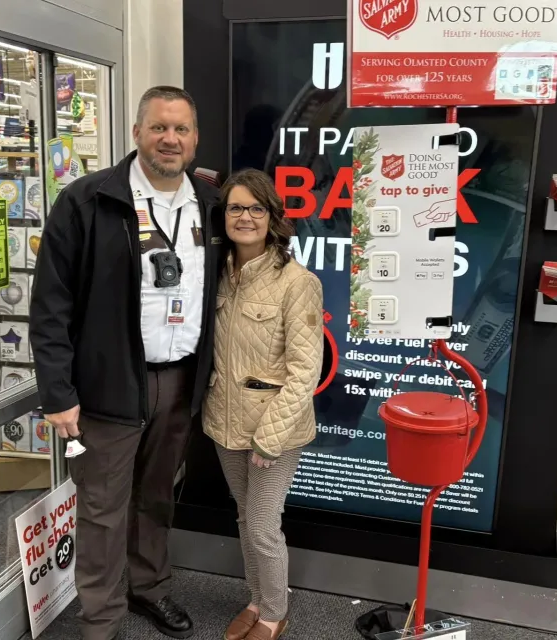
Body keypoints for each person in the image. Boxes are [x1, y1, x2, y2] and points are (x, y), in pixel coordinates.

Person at [30, 86, 224, 640]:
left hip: (182, 381)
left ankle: (149, 588)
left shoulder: (210, 205)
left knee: (157, 496)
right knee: (102, 508)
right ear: (136, 133)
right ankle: (102, 621)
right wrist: (59, 394)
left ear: (194, 139)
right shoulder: (87, 201)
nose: (170, 139)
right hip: (108, 388)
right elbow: (50, 305)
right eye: (159, 127)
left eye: (181, 129)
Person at [203, 169, 323, 640]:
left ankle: (274, 611)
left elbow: (305, 371)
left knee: (261, 526)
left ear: (273, 217)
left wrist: (269, 439)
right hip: (225, 423)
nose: (245, 217)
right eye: (236, 207)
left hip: (276, 431)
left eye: (256, 208)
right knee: (244, 517)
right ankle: (255, 599)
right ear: (224, 215)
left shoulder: (297, 282)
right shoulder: (221, 276)